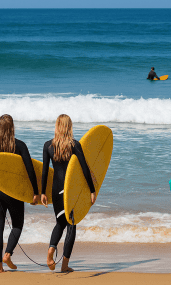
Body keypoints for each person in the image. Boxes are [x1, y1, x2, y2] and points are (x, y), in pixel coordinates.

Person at [0, 114, 39, 273]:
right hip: (14, 191)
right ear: (12, 127)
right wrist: (35, 192)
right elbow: (30, 170)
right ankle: (8, 254)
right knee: (18, 224)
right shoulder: (19, 146)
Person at [41, 114, 96, 273]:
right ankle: (64, 265)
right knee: (71, 225)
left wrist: (43, 192)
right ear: (69, 127)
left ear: (57, 126)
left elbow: (45, 171)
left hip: (56, 190)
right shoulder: (75, 145)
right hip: (71, 190)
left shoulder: (48, 146)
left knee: (59, 223)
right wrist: (92, 190)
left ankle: (51, 250)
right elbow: (85, 169)